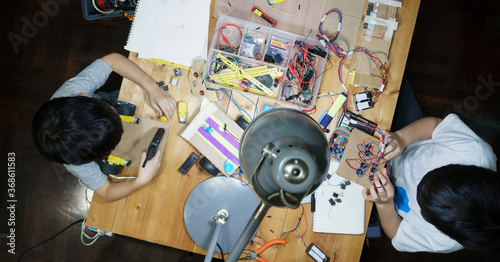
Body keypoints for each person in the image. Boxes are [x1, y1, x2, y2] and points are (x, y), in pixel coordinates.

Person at [362, 79, 499, 253]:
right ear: (460, 169)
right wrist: (401, 138)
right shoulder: (475, 151)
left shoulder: (444, 242)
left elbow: (395, 233)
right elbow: (434, 125)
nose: (419, 187)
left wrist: (384, 203)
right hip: (409, 136)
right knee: (391, 82)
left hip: (381, 197)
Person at [32, 53, 176, 202]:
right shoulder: (74, 161)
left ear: (83, 96)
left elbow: (113, 60)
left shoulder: (72, 90)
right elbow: (106, 192)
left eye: (112, 112)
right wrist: (140, 181)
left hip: (110, 100)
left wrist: (152, 88)